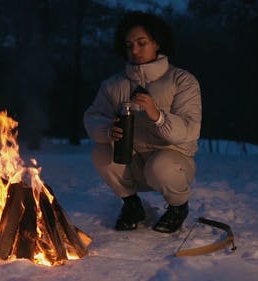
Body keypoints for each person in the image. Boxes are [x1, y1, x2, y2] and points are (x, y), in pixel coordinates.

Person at [83, 11, 201, 233]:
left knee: (161, 166)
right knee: (101, 152)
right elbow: (92, 117)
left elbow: (189, 130)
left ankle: (178, 207)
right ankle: (132, 205)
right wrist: (108, 130)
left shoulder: (182, 81)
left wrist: (157, 114)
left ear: (157, 43)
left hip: (173, 165)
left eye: (141, 43)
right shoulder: (113, 85)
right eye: (129, 45)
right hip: (133, 163)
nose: (134, 51)